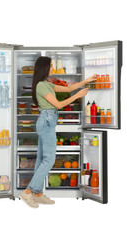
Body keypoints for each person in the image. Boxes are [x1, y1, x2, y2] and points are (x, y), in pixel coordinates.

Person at [20, 56, 96, 207]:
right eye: (50, 66)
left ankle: (38, 193)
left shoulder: (47, 84)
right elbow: (58, 105)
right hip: (46, 122)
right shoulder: (41, 86)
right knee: (49, 160)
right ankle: (28, 192)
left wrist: (86, 81)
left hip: (48, 122)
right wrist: (78, 96)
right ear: (44, 68)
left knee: (42, 159)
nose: (52, 68)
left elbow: (68, 88)